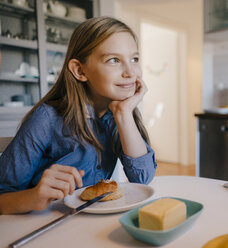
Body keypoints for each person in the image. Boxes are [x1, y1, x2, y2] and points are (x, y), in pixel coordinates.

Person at [0, 17, 157, 214]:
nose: (130, 72)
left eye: (134, 59)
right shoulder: (46, 119)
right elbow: (2, 197)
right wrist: (33, 197)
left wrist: (124, 113)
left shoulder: (117, 113)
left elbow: (142, 178)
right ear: (80, 70)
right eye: (114, 60)